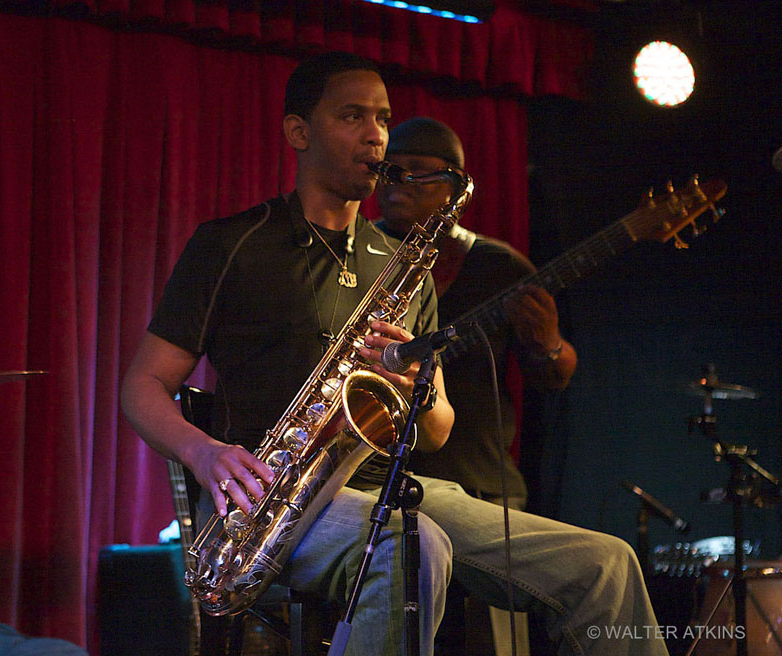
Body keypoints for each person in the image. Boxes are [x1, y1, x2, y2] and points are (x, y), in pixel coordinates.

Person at [122, 52, 667, 655]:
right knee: (416, 547)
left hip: (396, 490)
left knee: (606, 565)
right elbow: (142, 385)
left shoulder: (407, 265)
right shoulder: (233, 244)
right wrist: (205, 453)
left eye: (382, 117)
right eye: (352, 115)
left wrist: (420, 393)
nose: (376, 133)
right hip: (270, 498)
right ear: (299, 132)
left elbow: (435, 433)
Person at [374, 116, 577, 510]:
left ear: (453, 186)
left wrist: (548, 344)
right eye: (393, 170)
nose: (400, 181)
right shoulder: (358, 252)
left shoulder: (501, 266)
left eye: (417, 172)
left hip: (478, 484)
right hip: (381, 482)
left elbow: (553, 378)